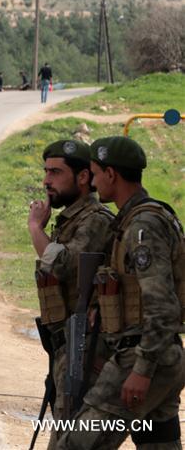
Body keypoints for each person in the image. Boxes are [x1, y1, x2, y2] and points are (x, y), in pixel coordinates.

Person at [57, 137, 185, 449]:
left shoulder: (143, 226)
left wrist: (142, 369)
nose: (95, 181)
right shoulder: (132, 220)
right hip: (155, 356)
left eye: (96, 173)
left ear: (111, 174)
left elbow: (162, 306)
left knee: (77, 444)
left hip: (143, 357)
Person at [27, 139, 114, 445]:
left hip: (86, 349)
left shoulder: (96, 220)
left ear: (83, 178)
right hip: (66, 344)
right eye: (46, 171)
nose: (46, 180)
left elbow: (63, 265)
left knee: (71, 439)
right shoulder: (72, 220)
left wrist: (37, 229)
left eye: (55, 172)